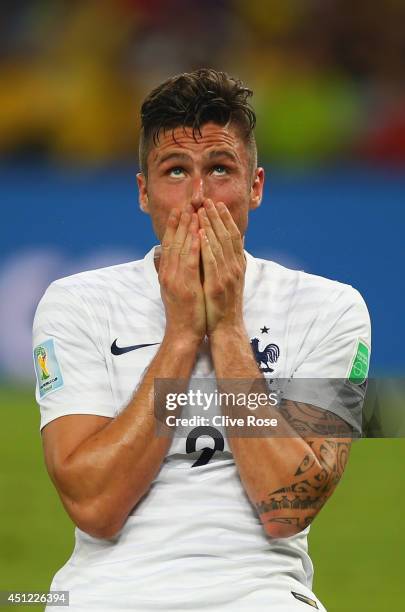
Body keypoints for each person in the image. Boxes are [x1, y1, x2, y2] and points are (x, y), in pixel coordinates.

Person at [33, 68, 371, 611]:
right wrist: (184, 332)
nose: (197, 197)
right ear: (144, 193)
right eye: (174, 171)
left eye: (219, 169)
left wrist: (229, 327)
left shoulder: (331, 309)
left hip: (261, 594)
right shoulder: (79, 303)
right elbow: (95, 507)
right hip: (104, 594)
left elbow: (289, 506)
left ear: (254, 186)